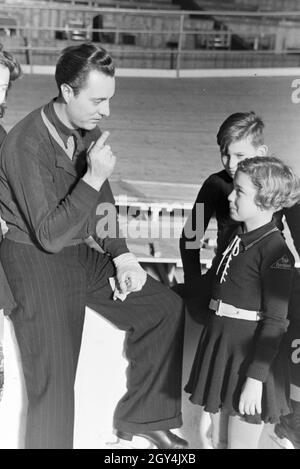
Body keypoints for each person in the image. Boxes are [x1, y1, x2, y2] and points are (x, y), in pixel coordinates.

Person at [0, 43, 188, 450]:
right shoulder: (24, 142)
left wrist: (121, 254)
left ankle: (144, 415)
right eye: (98, 100)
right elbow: (48, 234)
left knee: (163, 308)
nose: (106, 110)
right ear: (67, 92)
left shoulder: (88, 132)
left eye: (110, 99)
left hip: (76, 254)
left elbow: (101, 205)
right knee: (55, 387)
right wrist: (91, 178)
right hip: (33, 260)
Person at [178, 111, 300, 448]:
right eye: (225, 154)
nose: (231, 164)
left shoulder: (275, 189)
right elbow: (190, 238)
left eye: (240, 155)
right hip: (224, 295)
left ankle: (288, 427)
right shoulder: (216, 186)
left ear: (261, 152)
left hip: (263, 301)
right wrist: (196, 288)